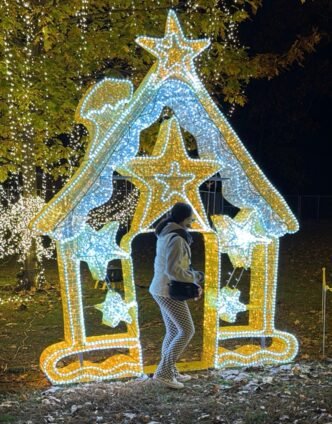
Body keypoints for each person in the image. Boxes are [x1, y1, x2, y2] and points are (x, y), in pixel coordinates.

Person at [149, 202, 204, 389]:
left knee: (173, 331)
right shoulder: (177, 238)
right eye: (191, 218)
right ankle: (163, 373)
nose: (193, 221)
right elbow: (173, 270)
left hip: (161, 289)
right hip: (167, 290)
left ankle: (169, 370)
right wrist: (195, 276)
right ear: (184, 218)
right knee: (187, 330)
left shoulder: (167, 233)